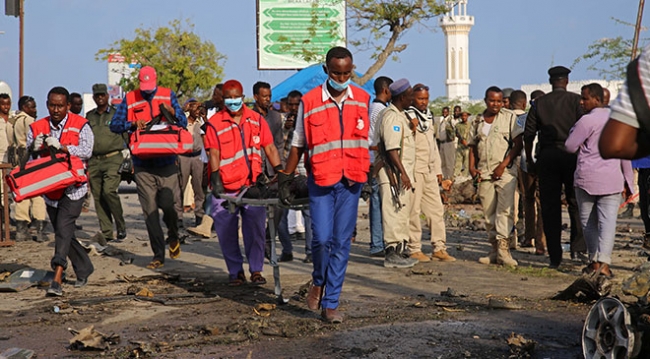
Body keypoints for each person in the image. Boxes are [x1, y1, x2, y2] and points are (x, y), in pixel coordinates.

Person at [279, 46, 370, 324]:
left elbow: (368, 141)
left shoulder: (363, 99)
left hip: (351, 180)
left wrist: (369, 175)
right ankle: (318, 280)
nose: (342, 78)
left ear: (352, 70)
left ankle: (331, 303)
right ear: (326, 71)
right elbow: (298, 143)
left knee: (342, 243)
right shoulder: (310, 101)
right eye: (336, 73)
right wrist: (286, 178)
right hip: (321, 179)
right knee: (320, 240)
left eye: (346, 73)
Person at [205, 79, 282, 287]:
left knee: (256, 231)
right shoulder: (215, 123)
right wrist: (214, 176)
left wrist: (280, 172)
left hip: (252, 187)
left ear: (243, 97)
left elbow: (270, 148)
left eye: (235, 97)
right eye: (228, 98)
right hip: (225, 188)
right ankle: (235, 272)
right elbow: (214, 152)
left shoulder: (256, 120)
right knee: (226, 232)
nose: (232, 101)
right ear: (223, 99)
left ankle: (256, 270)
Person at [110, 66, 187, 270]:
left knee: (169, 206)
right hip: (142, 165)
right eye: (144, 87)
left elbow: (183, 123)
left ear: (156, 80)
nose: (147, 91)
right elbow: (114, 125)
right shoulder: (130, 98)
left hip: (167, 162)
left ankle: (173, 233)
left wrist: (173, 113)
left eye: (150, 86)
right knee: (150, 212)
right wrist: (132, 123)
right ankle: (158, 255)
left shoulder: (167, 95)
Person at [27, 86, 94, 296]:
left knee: (63, 228)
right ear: (47, 105)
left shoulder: (81, 124)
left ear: (67, 106)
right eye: (52, 105)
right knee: (63, 232)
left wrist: (63, 146)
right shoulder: (37, 127)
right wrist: (34, 148)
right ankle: (84, 268)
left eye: (60, 106)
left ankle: (57, 276)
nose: (56, 110)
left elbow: (87, 151)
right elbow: (29, 159)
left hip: (74, 187)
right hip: (51, 188)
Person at [565, 83, 634, 278]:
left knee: (589, 223)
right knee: (608, 223)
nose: (581, 101)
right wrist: (629, 183)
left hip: (587, 179)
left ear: (597, 99)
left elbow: (570, 146)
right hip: (612, 180)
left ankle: (594, 262)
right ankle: (604, 264)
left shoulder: (586, 121)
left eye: (585, 98)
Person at [524, 66, 586, 268]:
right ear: (566, 81)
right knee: (575, 203)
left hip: (547, 156)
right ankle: (578, 248)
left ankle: (555, 256)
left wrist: (532, 161)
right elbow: (584, 128)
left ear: (551, 82)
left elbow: (528, 133)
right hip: (572, 156)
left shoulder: (539, 103)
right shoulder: (576, 101)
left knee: (550, 207)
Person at [469, 86, 523, 267]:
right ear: (486, 100)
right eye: (492, 101)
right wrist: (471, 167)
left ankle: (504, 251)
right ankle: (494, 250)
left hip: (505, 173)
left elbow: (517, 144)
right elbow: (472, 146)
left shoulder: (509, 118)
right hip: (484, 173)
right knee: (489, 213)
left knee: (505, 211)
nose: (496, 104)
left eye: (499, 101)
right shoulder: (477, 120)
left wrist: (503, 165)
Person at [405, 83, 455, 263]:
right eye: (420, 99)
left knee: (436, 209)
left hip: (429, 170)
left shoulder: (428, 117)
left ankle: (439, 247)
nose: (423, 102)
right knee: (414, 210)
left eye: (426, 98)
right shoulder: (407, 116)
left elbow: (433, 146)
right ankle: (414, 248)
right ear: (412, 98)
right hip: (414, 170)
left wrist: (438, 169)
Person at [375, 79, 419, 268]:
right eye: (410, 96)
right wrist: (402, 173)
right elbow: (391, 149)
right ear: (402, 97)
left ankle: (401, 252)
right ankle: (391, 253)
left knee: (401, 213)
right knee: (393, 213)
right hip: (393, 173)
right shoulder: (391, 116)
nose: (413, 100)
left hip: (401, 174)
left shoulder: (401, 116)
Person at [86, 84, 126, 242]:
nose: (100, 97)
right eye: (97, 95)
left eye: (103, 95)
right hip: (94, 160)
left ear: (107, 96)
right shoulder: (89, 116)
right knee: (98, 197)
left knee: (109, 191)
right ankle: (107, 231)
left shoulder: (117, 114)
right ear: (94, 97)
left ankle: (120, 225)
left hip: (113, 158)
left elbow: (126, 135)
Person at [276, 90, 313, 263]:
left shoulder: (309, 121)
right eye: (290, 104)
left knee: (308, 214)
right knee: (280, 212)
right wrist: (285, 129)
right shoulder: (283, 121)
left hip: (305, 173)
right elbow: (277, 147)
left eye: (296, 104)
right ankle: (287, 249)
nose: (293, 108)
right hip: (287, 173)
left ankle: (310, 251)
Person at [513, 90, 545, 255]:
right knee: (537, 201)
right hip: (535, 162)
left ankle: (532, 238)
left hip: (529, 162)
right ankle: (539, 241)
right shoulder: (547, 116)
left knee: (529, 199)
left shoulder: (522, 119)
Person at [11, 96, 48, 242]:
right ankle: (39, 228)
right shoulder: (29, 121)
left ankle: (21, 228)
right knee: (38, 194)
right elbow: (36, 142)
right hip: (31, 161)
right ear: (25, 107)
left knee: (21, 194)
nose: (35, 110)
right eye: (32, 107)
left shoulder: (12, 122)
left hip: (17, 160)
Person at [368, 76, 393, 257]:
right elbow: (381, 140)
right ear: (386, 90)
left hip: (372, 159)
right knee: (379, 202)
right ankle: (378, 243)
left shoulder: (374, 107)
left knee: (377, 202)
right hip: (376, 160)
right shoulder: (381, 111)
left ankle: (378, 242)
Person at [178, 100, 206, 227]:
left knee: (198, 188)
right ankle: (177, 217)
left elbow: (209, 132)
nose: (197, 110)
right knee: (180, 188)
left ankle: (199, 216)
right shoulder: (182, 121)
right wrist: (183, 110)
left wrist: (204, 118)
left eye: (199, 108)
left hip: (197, 157)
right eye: (195, 107)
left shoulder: (201, 123)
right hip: (183, 156)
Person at [437, 106, 455, 180]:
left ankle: (450, 177)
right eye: (443, 112)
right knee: (443, 162)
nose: (444, 113)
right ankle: (445, 177)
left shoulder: (451, 120)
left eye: (446, 112)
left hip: (448, 143)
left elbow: (454, 130)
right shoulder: (442, 121)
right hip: (442, 143)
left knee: (449, 162)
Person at [453, 111, 471, 178]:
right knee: (458, 162)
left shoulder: (470, 125)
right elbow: (456, 134)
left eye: (465, 116)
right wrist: (461, 139)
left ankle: (465, 177)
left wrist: (468, 142)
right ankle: (455, 177)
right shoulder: (458, 125)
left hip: (468, 147)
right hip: (460, 146)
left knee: (467, 163)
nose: (464, 117)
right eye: (462, 116)